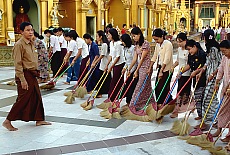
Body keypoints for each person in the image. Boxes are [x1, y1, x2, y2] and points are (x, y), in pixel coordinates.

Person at [2, 22, 51, 131]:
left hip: (32, 74)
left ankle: (39, 119)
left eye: (31, 30)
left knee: (37, 96)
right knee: (23, 99)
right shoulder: (19, 45)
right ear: (21, 32)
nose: (30, 32)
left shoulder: (31, 43)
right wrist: (22, 80)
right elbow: (18, 64)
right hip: (24, 74)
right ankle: (8, 120)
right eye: (28, 30)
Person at [194, 29, 222, 129]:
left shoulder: (215, 48)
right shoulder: (210, 48)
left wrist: (213, 74)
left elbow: (220, 64)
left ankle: (208, 121)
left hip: (215, 77)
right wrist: (202, 72)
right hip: (208, 75)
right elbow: (207, 63)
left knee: (208, 98)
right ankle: (215, 119)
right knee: (211, 98)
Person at [128, 27, 155, 109]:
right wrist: (129, 69)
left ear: (139, 34)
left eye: (135, 36)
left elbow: (142, 59)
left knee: (140, 86)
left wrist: (136, 71)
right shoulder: (136, 45)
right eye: (132, 36)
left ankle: (133, 104)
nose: (134, 38)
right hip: (140, 68)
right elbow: (135, 59)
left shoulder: (145, 44)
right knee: (146, 86)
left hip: (146, 67)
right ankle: (150, 102)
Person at [180, 39, 206, 120]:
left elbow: (204, 66)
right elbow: (189, 65)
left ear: (194, 46)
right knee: (196, 96)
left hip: (203, 79)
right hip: (195, 79)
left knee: (201, 97)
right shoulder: (191, 55)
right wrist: (181, 71)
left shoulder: (202, 54)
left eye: (189, 49)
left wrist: (197, 71)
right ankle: (200, 114)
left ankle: (204, 116)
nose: (189, 51)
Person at [148, 28, 173, 105]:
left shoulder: (168, 44)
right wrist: (150, 67)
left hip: (167, 69)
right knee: (157, 87)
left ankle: (164, 103)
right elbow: (155, 56)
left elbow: (167, 59)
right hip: (160, 68)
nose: (156, 41)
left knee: (162, 88)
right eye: (154, 40)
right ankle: (162, 103)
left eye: (157, 39)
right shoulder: (158, 45)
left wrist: (161, 71)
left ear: (162, 36)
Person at [170, 32, 192, 118]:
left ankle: (181, 108)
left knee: (185, 92)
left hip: (187, 74)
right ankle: (177, 109)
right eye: (178, 42)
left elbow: (190, 63)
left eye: (180, 41)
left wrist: (182, 71)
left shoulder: (189, 50)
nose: (179, 44)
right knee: (179, 91)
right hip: (180, 73)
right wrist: (173, 66)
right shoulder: (179, 50)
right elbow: (178, 61)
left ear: (185, 41)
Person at [213, 40, 230, 143]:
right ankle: (219, 129)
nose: (224, 53)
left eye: (225, 51)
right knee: (222, 108)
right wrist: (217, 81)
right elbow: (221, 70)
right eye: (222, 52)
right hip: (225, 87)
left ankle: (229, 135)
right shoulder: (224, 58)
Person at [105, 28, 125, 102]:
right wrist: (107, 65)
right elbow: (111, 55)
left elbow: (118, 56)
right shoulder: (111, 43)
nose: (108, 36)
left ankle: (113, 97)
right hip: (114, 63)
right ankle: (112, 97)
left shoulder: (118, 44)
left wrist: (112, 66)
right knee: (113, 80)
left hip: (119, 64)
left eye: (109, 34)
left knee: (115, 81)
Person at [121, 34, 138, 106]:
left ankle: (131, 102)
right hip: (128, 69)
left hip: (133, 70)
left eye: (123, 41)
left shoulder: (133, 48)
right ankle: (128, 101)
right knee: (127, 85)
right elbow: (127, 60)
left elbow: (134, 61)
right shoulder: (125, 49)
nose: (122, 43)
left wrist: (130, 71)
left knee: (132, 87)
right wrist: (124, 68)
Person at [93, 30, 111, 98]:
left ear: (100, 37)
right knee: (104, 78)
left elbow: (102, 55)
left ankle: (100, 92)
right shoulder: (103, 44)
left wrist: (95, 62)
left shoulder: (104, 44)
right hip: (103, 64)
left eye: (97, 36)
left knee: (102, 78)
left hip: (105, 64)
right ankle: (103, 91)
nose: (96, 38)